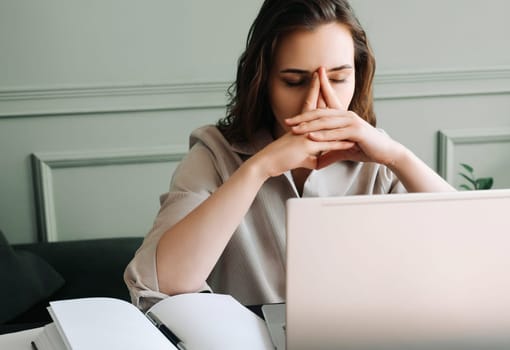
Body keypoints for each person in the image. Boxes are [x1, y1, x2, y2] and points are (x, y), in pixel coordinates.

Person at [124, 0, 455, 311]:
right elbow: (158, 284)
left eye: (339, 78)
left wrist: (400, 158)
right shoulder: (213, 155)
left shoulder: (379, 163)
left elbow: (471, 254)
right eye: (295, 81)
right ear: (263, 80)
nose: (319, 101)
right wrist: (259, 168)